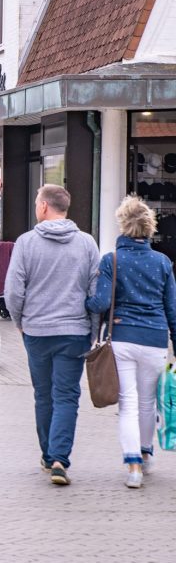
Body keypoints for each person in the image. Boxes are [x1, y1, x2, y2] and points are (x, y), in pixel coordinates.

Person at [4, 184, 100, 486]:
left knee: (43, 394)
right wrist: (94, 330)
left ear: (45, 206)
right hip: (74, 332)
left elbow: (13, 290)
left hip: (37, 331)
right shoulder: (87, 244)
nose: (35, 207)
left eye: (36, 202)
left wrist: (20, 321)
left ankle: (47, 455)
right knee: (67, 395)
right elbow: (95, 290)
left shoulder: (26, 243)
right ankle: (60, 458)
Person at [84, 196, 176, 489]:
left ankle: (133, 466)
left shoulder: (111, 260)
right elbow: (172, 308)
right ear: (150, 228)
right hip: (155, 340)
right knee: (149, 402)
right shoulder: (163, 262)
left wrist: (86, 300)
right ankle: (147, 455)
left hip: (122, 338)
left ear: (123, 225)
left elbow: (99, 302)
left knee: (128, 404)